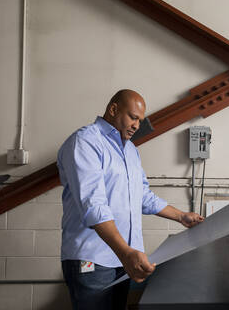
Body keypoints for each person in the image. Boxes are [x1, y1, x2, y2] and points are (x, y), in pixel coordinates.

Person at [57, 89, 204, 310]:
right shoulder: (86, 142)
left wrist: (181, 216)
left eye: (140, 120)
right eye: (133, 117)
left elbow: (143, 197)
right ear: (113, 109)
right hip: (93, 259)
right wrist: (126, 252)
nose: (136, 125)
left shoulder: (131, 151)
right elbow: (93, 205)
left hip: (124, 259)